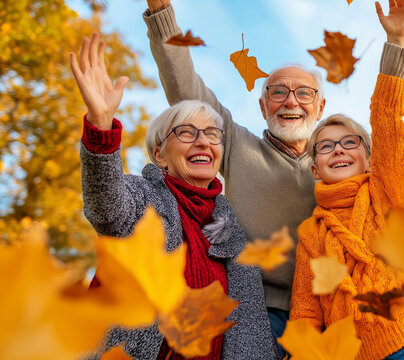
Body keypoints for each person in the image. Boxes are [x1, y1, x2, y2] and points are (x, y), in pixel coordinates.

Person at [141, 0, 404, 354]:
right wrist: (163, 15)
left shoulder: (339, 168)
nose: (291, 101)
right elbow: (186, 91)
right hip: (255, 310)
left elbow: (390, 137)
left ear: (320, 107)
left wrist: (395, 42)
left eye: (304, 93)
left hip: (333, 313)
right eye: (278, 92)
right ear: (262, 106)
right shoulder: (239, 145)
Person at [72, 33, 275, 360]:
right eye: (186, 132)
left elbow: (252, 335)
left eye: (212, 135)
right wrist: (100, 125)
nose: (203, 142)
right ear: (160, 155)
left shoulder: (234, 237)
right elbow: (106, 207)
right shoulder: (143, 199)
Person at [290, 1, 404, 359]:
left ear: (369, 159)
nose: (338, 151)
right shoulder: (312, 233)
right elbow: (307, 309)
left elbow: (387, 124)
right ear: (314, 168)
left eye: (349, 142)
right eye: (325, 146)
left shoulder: (383, 193)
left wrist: (396, 41)